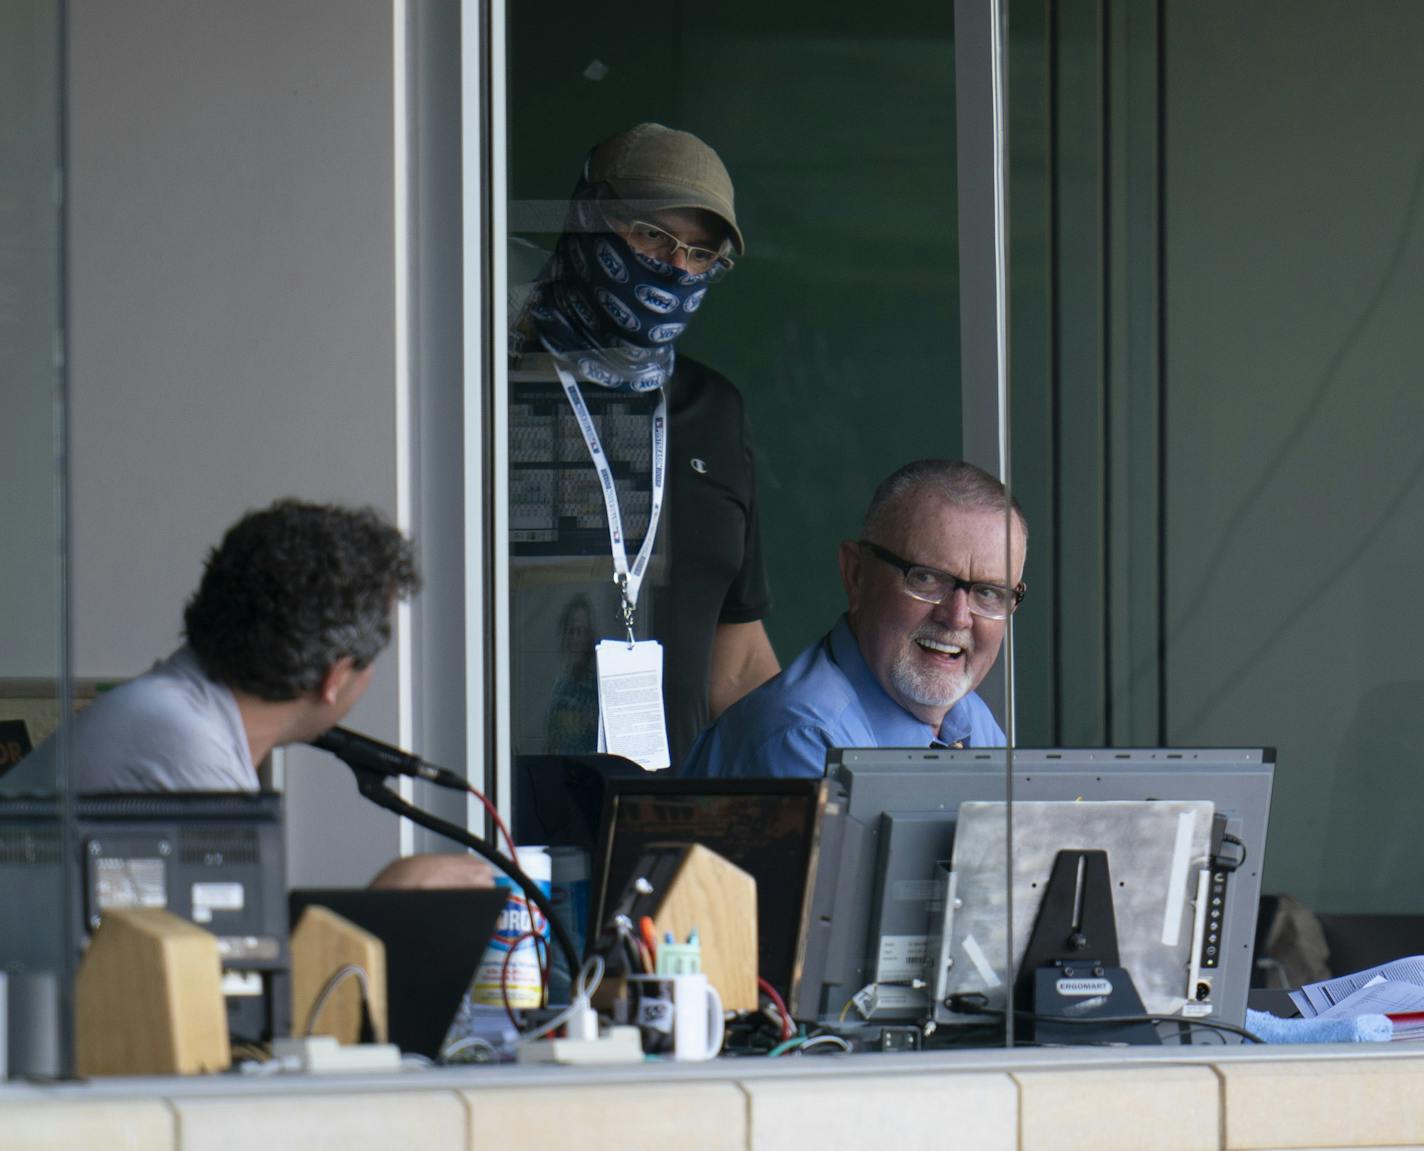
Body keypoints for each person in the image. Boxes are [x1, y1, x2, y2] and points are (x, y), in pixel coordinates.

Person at [510, 122, 779, 766]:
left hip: (662, 819)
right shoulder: (489, 387)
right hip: (502, 809)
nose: (674, 267)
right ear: (587, 219)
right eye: (651, 236)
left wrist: (812, 789)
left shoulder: (714, 410)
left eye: (700, 253)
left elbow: (737, 660)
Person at [16, 499, 420, 794]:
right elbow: (235, 914)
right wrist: (392, 896)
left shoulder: (172, 712)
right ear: (334, 678)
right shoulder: (184, 750)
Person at [681, 460, 1027, 779]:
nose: (957, 617)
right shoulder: (805, 740)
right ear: (857, 575)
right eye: (927, 578)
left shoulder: (968, 718)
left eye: (988, 593)